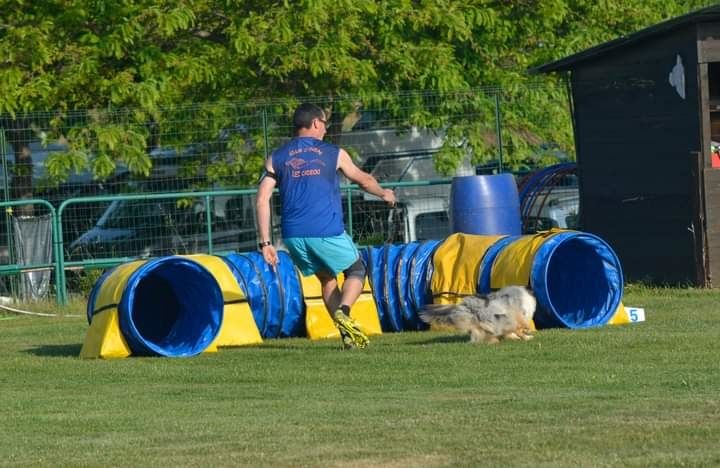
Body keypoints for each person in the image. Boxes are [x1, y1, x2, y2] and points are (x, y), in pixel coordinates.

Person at [255, 103, 396, 349]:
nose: (326, 130)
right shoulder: (333, 152)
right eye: (324, 124)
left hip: (293, 236)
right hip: (325, 230)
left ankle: (348, 337)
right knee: (356, 270)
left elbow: (262, 199)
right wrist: (384, 193)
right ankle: (344, 311)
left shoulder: (276, 157)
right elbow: (362, 179)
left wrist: (266, 243)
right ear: (316, 124)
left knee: (327, 281)